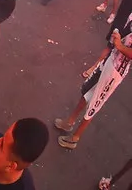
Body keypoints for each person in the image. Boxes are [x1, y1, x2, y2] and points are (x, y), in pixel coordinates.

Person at [54, 16, 132, 150]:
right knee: (87, 90)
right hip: (110, 59)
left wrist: (119, 45)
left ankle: (75, 138)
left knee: (95, 103)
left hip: (115, 70)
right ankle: (70, 122)